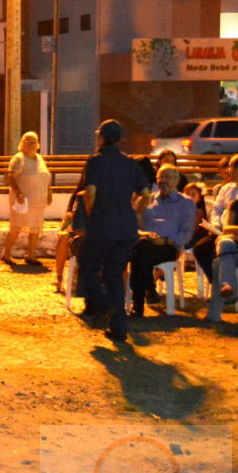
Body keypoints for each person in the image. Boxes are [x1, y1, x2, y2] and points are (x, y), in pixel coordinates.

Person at [78, 119, 149, 341]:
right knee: (114, 276)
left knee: (88, 268)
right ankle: (119, 329)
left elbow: (90, 192)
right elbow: (146, 193)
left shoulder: (96, 162)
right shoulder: (130, 163)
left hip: (103, 224)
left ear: (102, 137)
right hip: (127, 229)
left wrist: (91, 213)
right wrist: (136, 212)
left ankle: (103, 305)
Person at [128, 164, 195, 318]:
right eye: (160, 177)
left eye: (168, 177)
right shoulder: (147, 199)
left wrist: (165, 241)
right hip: (144, 243)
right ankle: (149, 287)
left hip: (168, 247)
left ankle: (138, 304)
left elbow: (186, 233)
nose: (163, 181)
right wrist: (143, 233)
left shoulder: (185, 202)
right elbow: (133, 225)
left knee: (139, 253)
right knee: (141, 250)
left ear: (177, 180)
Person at [191, 154, 238, 305]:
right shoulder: (226, 188)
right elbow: (216, 210)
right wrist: (216, 226)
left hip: (237, 235)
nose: (227, 171)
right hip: (221, 232)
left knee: (223, 249)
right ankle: (219, 285)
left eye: (230, 167)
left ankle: (224, 288)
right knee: (200, 249)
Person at [0, 131, 52, 266]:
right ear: (22, 144)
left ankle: (31, 255)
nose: (31, 144)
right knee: (16, 227)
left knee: (35, 228)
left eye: (34, 141)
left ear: (38, 144)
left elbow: (45, 177)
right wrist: (18, 193)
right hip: (22, 200)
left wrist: (49, 194)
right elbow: (10, 176)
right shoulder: (18, 158)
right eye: (27, 141)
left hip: (38, 200)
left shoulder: (39, 158)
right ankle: (6, 254)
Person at [208, 196, 238, 320]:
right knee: (223, 244)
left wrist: (236, 236)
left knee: (218, 262)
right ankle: (228, 288)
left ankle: (214, 314)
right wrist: (231, 235)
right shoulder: (236, 204)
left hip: (234, 251)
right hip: (232, 250)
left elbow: (230, 232)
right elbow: (227, 228)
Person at [54, 174, 88, 293]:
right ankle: (59, 276)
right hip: (80, 231)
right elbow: (69, 222)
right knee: (64, 237)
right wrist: (66, 222)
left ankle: (76, 277)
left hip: (96, 234)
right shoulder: (79, 197)